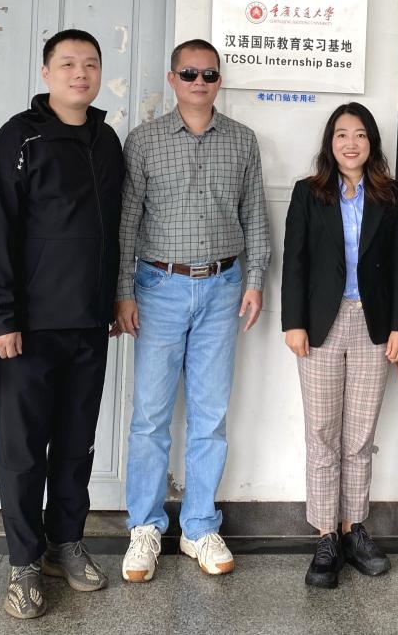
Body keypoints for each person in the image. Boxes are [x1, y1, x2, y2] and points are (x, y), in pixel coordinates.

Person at [0, 29, 124, 620]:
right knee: (22, 451)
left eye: (90, 64)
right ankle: (23, 563)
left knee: (75, 443)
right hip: (29, 327)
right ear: (46, 73)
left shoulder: (107, 140)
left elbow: (113, 230)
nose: (80, 74)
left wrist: (112, 300)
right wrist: (0, 315)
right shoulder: (18, 138)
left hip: (89, 324)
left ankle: (66, 542)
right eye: (67, 64)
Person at [115, 39, 270, 582]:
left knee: (210, 415)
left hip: (223, 287)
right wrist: (123, 292)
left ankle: (200, 525)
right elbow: (127, 221)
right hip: (158, 287)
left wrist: (255, 281)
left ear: (219, 80)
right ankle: (145, 527)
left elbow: (255, 215)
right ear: (173, 78)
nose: (199, 82)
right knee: (150, 416)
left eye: (208, 74)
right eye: (189, 73)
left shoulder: (242, 140)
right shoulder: (144, 141)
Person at [281, 102, 398, 589]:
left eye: (360, 134)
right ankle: (325, 536)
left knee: (359, 435)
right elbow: (294, 260)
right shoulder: (308, 192)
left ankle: (353, 528)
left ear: (371, 142)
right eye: (342, 134)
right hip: (321, 324)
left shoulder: (390, 196)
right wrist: (293, 322)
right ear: (330, 142)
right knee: (322, 432)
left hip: (373, 326)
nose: (351, 143)